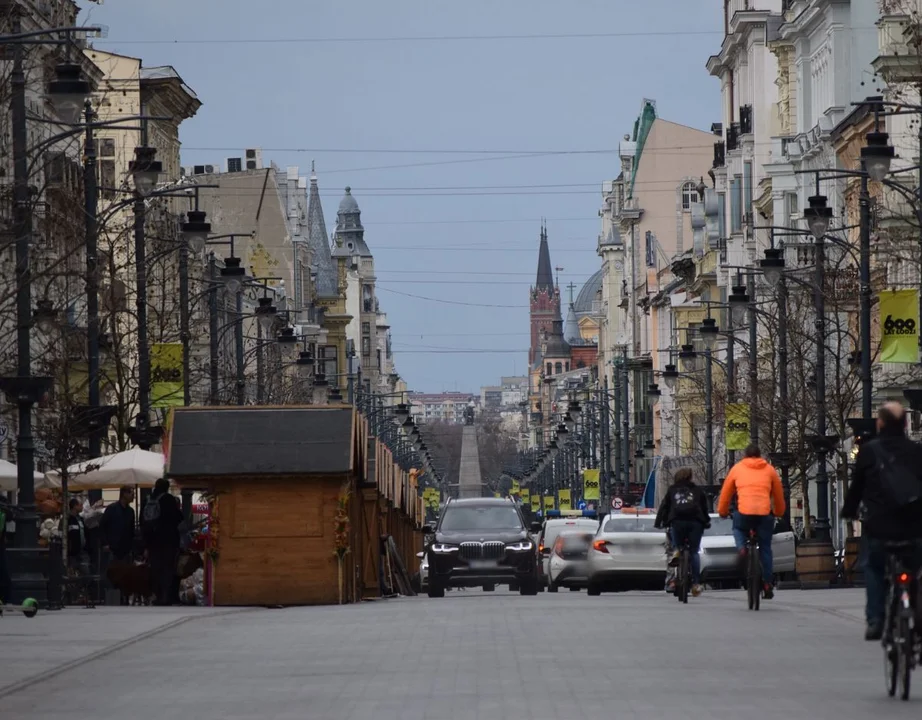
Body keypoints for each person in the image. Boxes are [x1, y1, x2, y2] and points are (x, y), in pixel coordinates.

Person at [841, 402, 922, 641]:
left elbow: (857, 489)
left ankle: (876, 620)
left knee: (874, 568)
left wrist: (849, 511)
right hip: (913, 528)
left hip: (880, 526)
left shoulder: (870, 452)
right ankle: (918, 616)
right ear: (906, 424)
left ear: (880, 424)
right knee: (916, 569)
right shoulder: (917, 451)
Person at [717, 444, 785, 599]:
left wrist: (722, 511)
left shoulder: (737, 469)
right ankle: (767, 583)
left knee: (738, 529)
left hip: (744, 512)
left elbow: (726, 493)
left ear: (745, 456)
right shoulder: (769, 470)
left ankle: (742, 548)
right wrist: (779, 512)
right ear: (760, 455)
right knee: (766, 548)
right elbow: (778, 494)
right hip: (764, 513)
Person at [655, 468, 711, 597]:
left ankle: (676, 552)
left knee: (677, 545)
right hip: (695, 522)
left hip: (677, 521)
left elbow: (664, 507)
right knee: (694, 552)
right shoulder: (697, 490)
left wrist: (659, 523)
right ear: (690, 477)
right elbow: (704, 507)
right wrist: (706, 521)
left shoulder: (672, 490)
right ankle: (696, 584)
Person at [142, 478, 183, 606]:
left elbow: (143, 522)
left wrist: (146, 544)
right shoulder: (168, 499)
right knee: (168, 569)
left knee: (155, 569)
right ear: (166, 487)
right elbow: (178, 517)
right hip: (168, 541)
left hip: (152, 541)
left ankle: (157, 596)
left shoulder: (147, 500)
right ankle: (166, 597)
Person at [100, 486, 136, 606]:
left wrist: (132, 547)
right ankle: (112, 597)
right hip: (113, 548)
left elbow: (132, 531)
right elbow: (102, 527)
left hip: (125, 549)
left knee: (125, 574)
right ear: (124, 494)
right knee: (111, 573)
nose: (133, 496)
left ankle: (123, 597)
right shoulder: (112, 509)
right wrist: (105, 543)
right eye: (131, 493)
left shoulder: (131, 512)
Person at [67, 498, 86, 571]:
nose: (82, 507)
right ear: (75, 506)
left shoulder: (80, 519)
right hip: (71, 554)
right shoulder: (67, 519)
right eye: (80, 505)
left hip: (82, 552)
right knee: (72, 573)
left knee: (84, 571)